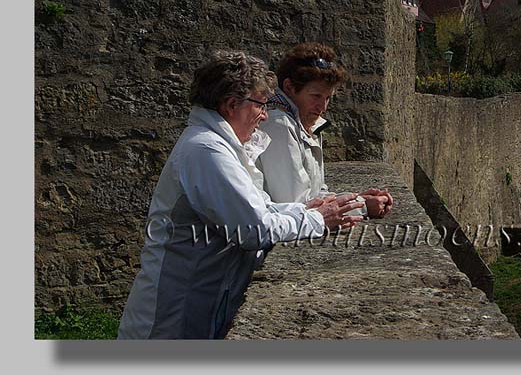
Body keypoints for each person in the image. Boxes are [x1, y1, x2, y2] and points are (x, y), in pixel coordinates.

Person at [118, 51, 364, 339]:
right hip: (171, 314)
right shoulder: (206, 151)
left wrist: (307, 211)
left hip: (199, 303)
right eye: (260, 105)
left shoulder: (221, 146)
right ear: (232, 104)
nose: (264, 114)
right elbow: (253, 228)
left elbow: (262, 206)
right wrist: (317, 220)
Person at [257, 42, 394, 217]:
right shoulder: (278, 125)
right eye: (316, 96)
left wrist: (356, 199)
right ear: (289, 87)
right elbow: (295, 205)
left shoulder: (305, 122)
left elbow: (316, 194)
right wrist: (363, 206)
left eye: (328, 98)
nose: (322, 107)